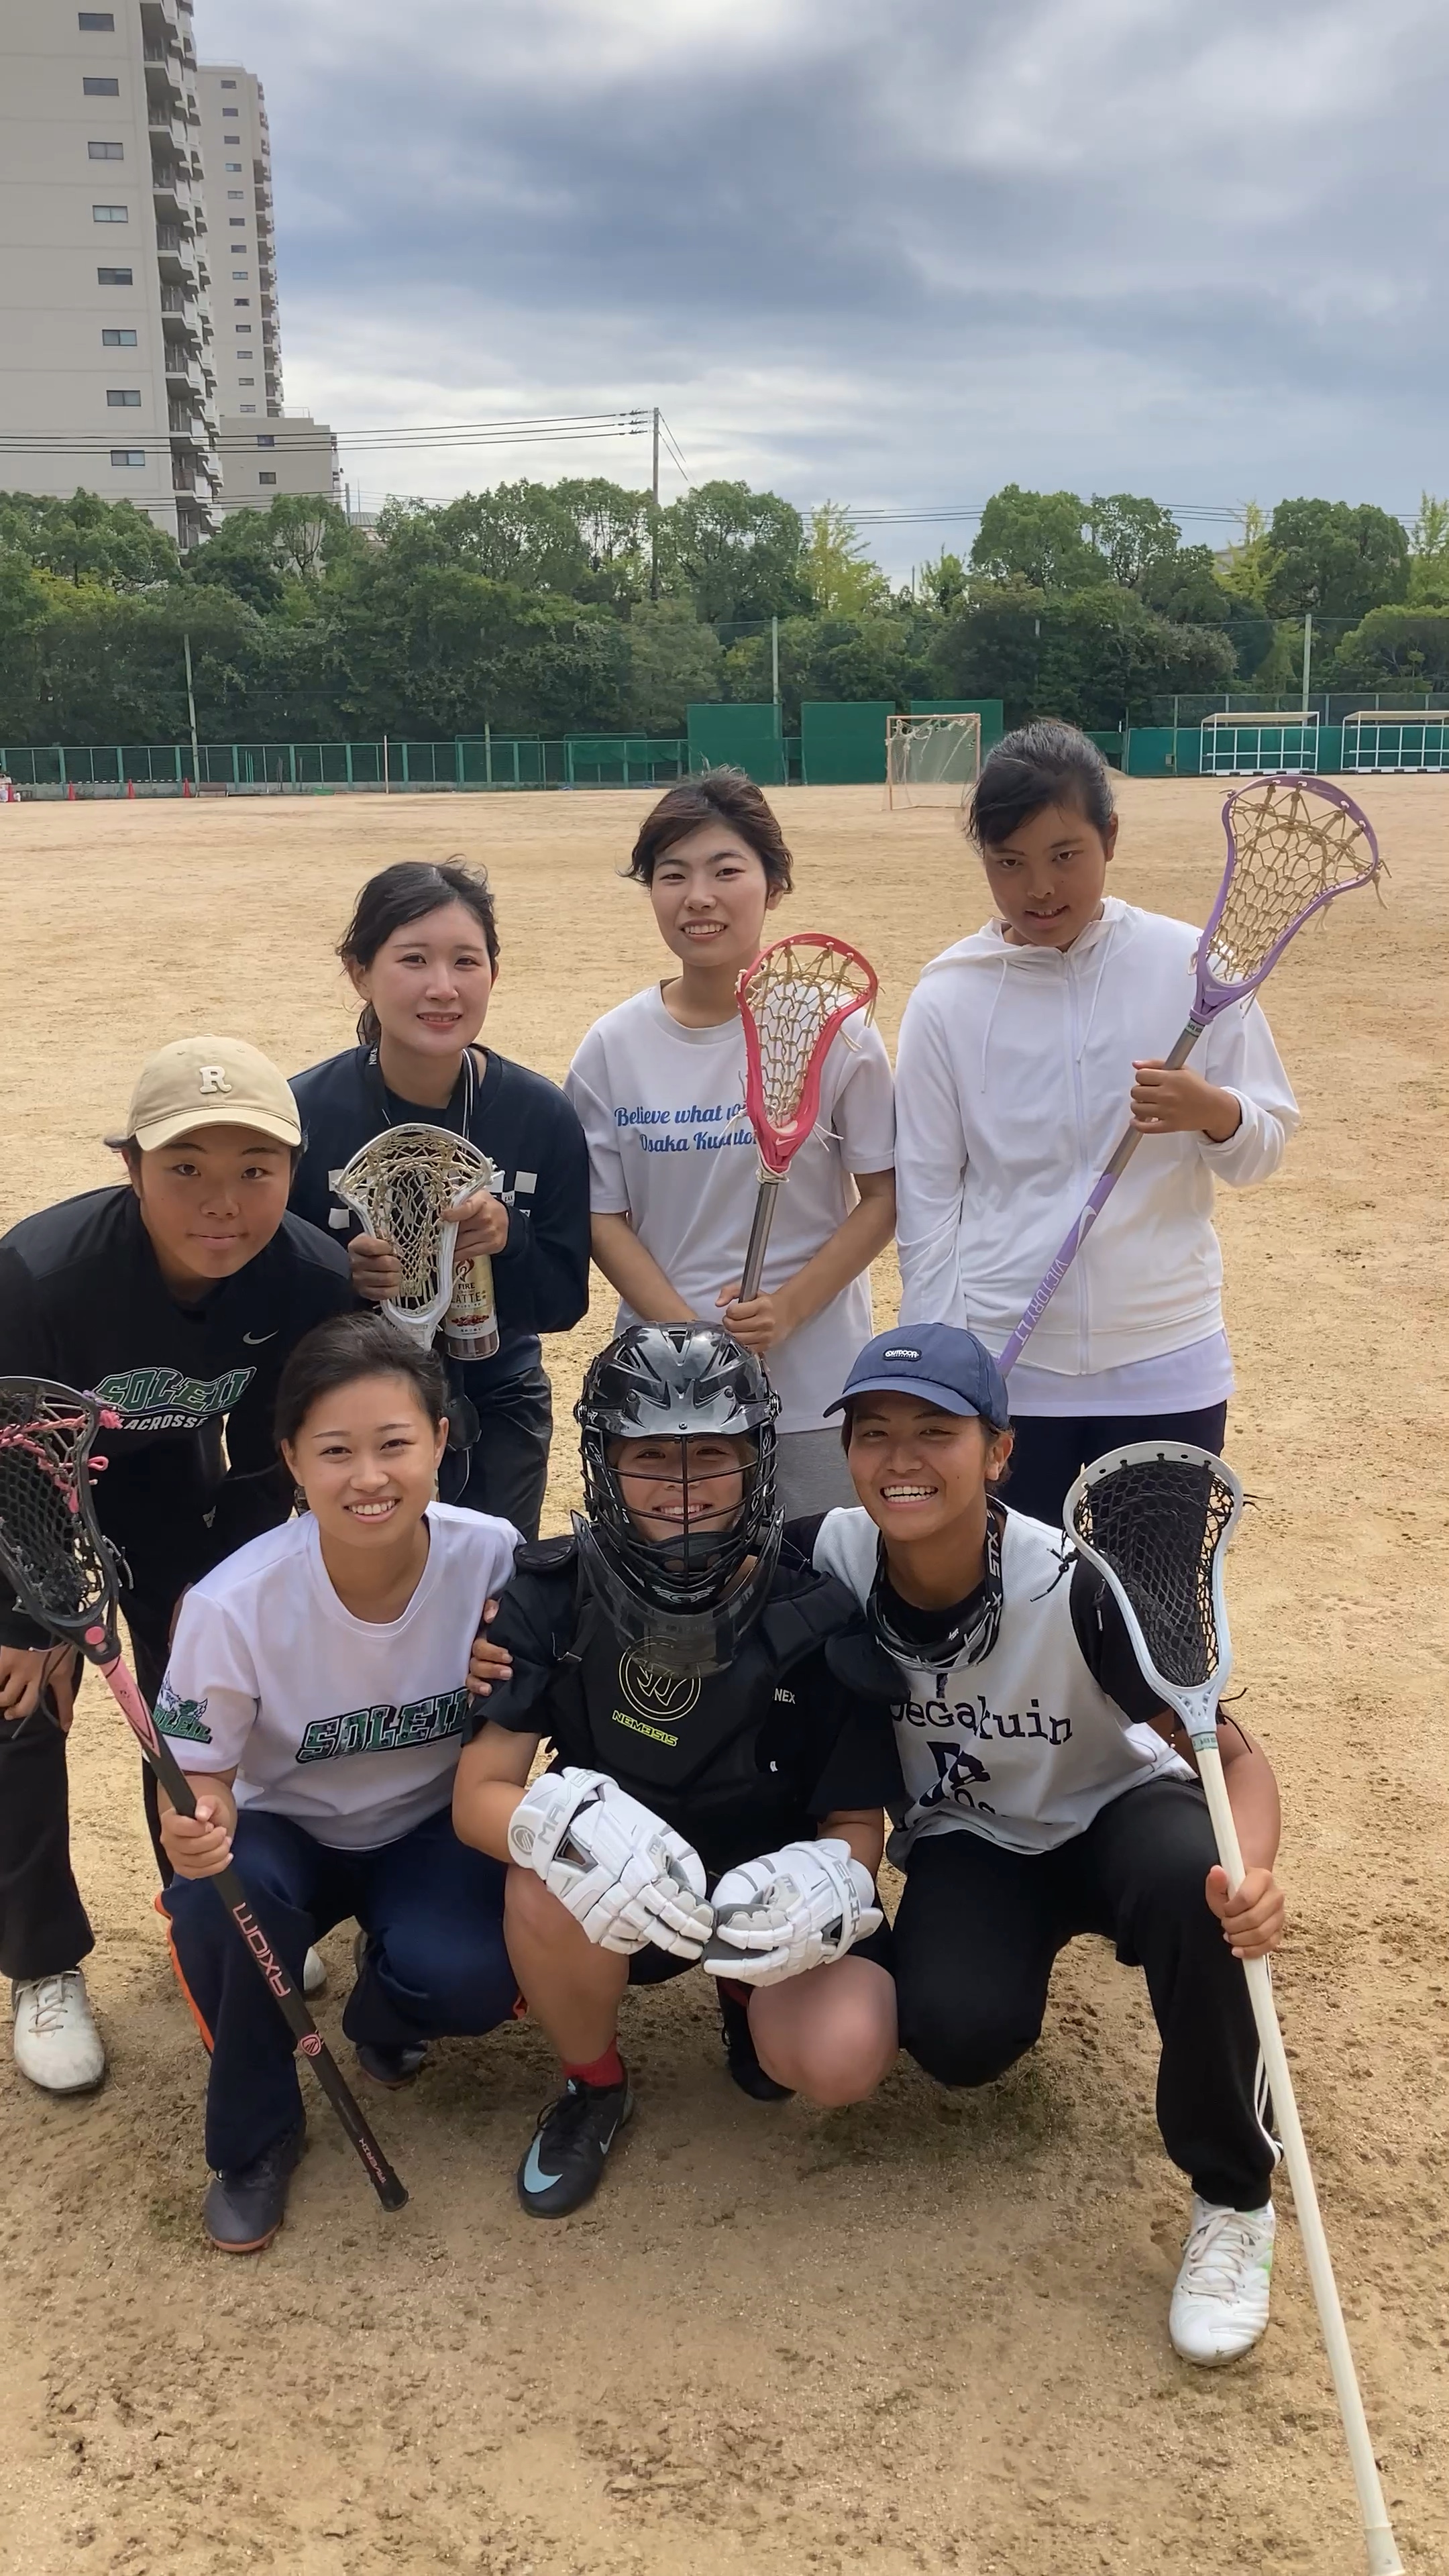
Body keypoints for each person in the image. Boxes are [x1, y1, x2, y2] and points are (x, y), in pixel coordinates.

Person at [797, 1322, 1285, 2365]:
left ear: (1000, 1452)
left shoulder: (1076, 1587)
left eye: (937, 1431)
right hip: (975, 1841)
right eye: (874, 1433)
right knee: (959, 2037)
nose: (901, 1460)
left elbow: (1233, 1761)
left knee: (1191, 1887)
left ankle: (1235, 2199)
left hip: (1118, 1812)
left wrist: (1251, 1875)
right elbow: (670, 1575)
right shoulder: (829, 1557)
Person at [452, 1322, 901, 2220]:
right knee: (541, 1882)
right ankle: (594, 2084)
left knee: (842, 2051)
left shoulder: (815, 1608)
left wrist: (828, 1879)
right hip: (623, 1886)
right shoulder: (549, 1592)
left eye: (714, 1456)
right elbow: (478, 1797)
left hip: (763, 1894)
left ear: (760, 1460)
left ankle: (747, 1990)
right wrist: (565, 1823)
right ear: (604, 1461)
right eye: (653, 1455)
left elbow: (857, 1826)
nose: (687, 1488)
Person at [0, 1035, 355, 2097]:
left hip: (183, 1490)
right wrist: (30, 1620)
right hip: (29, 1490)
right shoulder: (37, 1275)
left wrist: (237, 1577)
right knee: (19, 1703)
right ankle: (42, 1964)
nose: (224, 1202)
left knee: (202, 1699)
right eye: (185, 1168)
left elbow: (286, 1438)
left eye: (256, 1169)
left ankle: (202, 1912)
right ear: (131, 1168)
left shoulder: (310, 1275)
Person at [158, 1311, 521, 2252]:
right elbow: (199, 1777)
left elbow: (536, 1709)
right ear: (291, 1459)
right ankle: (259, 2137)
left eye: (396, 1444)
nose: (369, 1477)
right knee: (219, 1902)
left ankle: (385, 2002)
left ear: (441, 1442)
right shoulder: (231, 1604)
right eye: (336, 1451)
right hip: (290, 1835)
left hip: (429, 1825)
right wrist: (198, 1819)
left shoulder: (496, 1558)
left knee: (473, 1976)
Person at [892, 722, 1300, 1525]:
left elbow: (1263, 1146)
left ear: (1110, 837)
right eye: (1008, 863)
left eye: (1064, 855)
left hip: (1166, 1363)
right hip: (1012, 1367)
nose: (1038, 889)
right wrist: (948, 1366)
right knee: (1019, 1610)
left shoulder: (1193, 967)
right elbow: (928, 1199)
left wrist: (1211, 1112)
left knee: (1151, 1617)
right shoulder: (947, 998)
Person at [564, 771, 896, 1519]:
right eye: (671, 875)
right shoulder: (613, 1047)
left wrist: (788, 1311)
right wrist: (685, 1339)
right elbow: (601, 1216)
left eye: (726, 870)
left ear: (773, 885)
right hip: (664, 1398)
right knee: (679, 1610)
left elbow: (882, 1197)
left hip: (811, 1390)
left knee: (819, 1593)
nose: (698, 897)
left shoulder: (836, 1031)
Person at [290, 859, 591, 1540]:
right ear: (359, 972)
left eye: (466, 961)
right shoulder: (306, 1116)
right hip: (350, 1403)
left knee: (488, 1602)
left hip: (498, 1395)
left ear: (494, 971)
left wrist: (508, 1238)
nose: (443, 988)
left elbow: (564, 1302)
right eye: (414, 960)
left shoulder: (538, 1116)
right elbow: (264, 1294)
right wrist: (345, 1277)